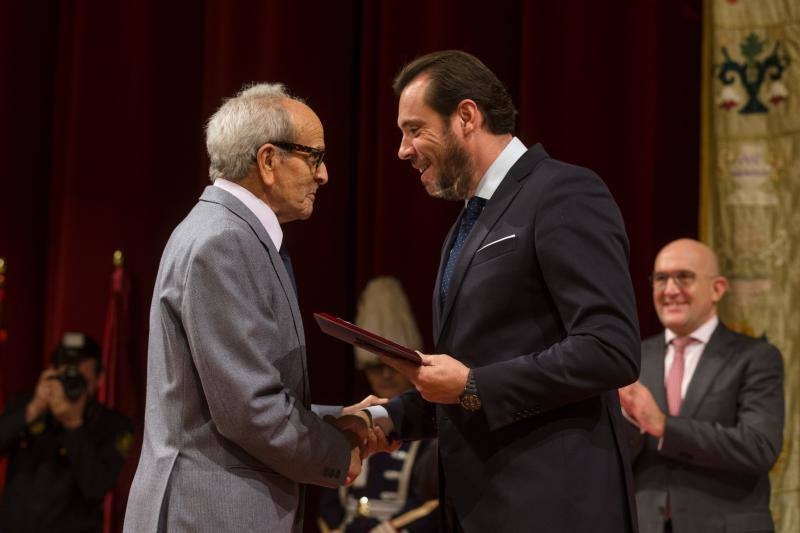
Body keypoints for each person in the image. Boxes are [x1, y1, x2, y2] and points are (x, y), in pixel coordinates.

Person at [359, 50, 641, 532]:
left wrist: (472, 386)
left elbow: (610, 349)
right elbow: (475, 370)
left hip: (556, 510)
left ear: (466, 116)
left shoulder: (564, 192)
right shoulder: (466, 224)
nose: (402, 150)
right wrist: (389, 417)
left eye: (414, 129)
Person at [123, 83, 382, 533]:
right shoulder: (222, 242)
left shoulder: (231, 234)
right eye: (315, 156)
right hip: (207, 516)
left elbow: (235, 395)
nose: (324, 175)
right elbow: (251, 411)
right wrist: (341, 453)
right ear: (268, 161)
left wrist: (339, 422)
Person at [619, 238, 784, 533]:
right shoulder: (634, 359)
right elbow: (619, 458)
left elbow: (759, 447)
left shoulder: (756, 357)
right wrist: (628, 423)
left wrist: (664, 426)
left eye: (684, 277)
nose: (670, 290)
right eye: (661, 278)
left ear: (717, 288)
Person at [318, 277, 440, 533]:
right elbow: (330, 501)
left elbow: (433, 500)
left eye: (391, 368)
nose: (385, 376)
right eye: (375, 368)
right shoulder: (353, 419)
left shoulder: (430, 424)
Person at [0, 332, 133, 533]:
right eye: (64, 366)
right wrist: (33, 410)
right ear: (50, 371)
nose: (71, 372)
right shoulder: (26, 405)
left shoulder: (113, 426)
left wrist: (73, 424)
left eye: (80, 366)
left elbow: (96, 488)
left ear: (100, 377)